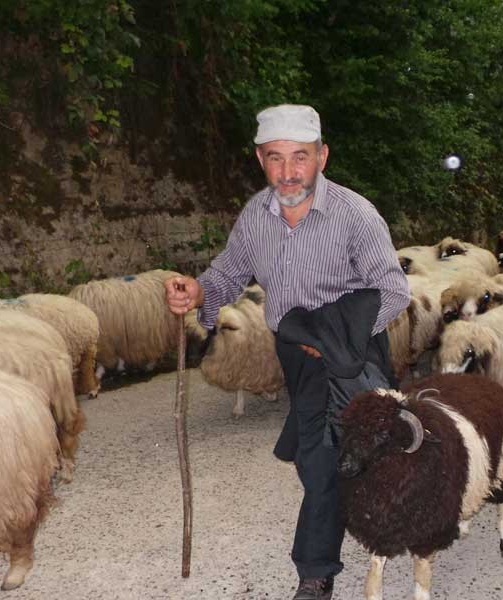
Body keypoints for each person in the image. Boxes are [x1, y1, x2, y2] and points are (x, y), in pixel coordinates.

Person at [164, 104, 410, 600]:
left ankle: (315, 574)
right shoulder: (256, 216)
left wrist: (340, 337)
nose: (288, 172)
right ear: (260, 159)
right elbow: (229, 273)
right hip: (297, 356)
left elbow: (393, 291)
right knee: (327, 456)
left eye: (300, 157)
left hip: (352, 352)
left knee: (323, 461)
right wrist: (197, 291)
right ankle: (371, 514)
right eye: (276, 158)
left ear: (322, 155)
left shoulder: (355, 215)